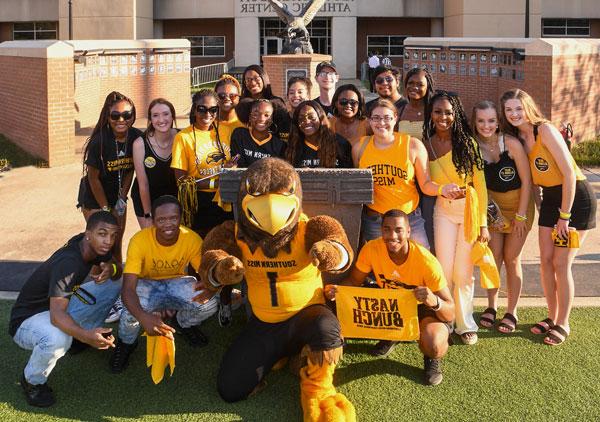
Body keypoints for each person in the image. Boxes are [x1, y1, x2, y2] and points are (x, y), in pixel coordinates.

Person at [501, 89, 596, 346]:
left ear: (528, 107)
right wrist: (542, 204)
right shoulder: (517, 138)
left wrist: (564, 216)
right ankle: (551, 317)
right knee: (545, 261)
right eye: (509, 110)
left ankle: (563, 323)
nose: (514, 114)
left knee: (561, 263)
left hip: (575, 199)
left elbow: (567, 173)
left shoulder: (545, 130)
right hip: (551, 200)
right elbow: (531, 179)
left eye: (518, 108)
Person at [324, 209, 455, 386]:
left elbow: (451, 312)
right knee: (334, 305)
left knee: (433, 343)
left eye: (399, 230)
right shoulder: (372, 248)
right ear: (381, 230)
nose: (392, 235)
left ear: (408, 231)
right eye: (387, 229)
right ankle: (393, 334)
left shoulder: (426, 261)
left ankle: (431, 359)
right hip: (392, 305)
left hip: (421, 306)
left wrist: (434, 301)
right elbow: (354, 281)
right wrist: (336, 291)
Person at [9, 211, 122, 407]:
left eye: (113, 235)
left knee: (116, 281)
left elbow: (117, 267)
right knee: (58, 338)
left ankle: (78, 337)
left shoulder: (90, 245)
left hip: (57, 306)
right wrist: (86, 335)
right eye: (102, 234)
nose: (108, 241)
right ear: (88, 233)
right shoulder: (69, 262)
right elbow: (57, 315)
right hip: (27, 321)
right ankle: (32, 381)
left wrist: (110, 269)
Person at [109, 195, 220, 373]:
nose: (168, 224)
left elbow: (207, 274)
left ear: (180, 218)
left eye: (173, 218)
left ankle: (182, 323)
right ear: (153, 220)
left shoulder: (191, 238)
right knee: (131, 310)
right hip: (147, 284)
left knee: (210, 303)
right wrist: (143, 317)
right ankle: (126, 344)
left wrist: (211, 287)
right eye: (161, 219)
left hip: (177, 282)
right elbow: (128, 288)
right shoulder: (139, 240)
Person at [423, 90, 489, 345]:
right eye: (438, 111)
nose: (443, 117)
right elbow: (426, 182)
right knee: (445, 268)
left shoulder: (468, 144)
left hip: (469, 213)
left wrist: (483, 222)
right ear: (431, 113)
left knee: (463, 272)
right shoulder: (426, 144)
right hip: (443, 212)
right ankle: (446, 319)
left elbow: (481, 186)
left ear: (456, 114)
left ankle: (465, 323)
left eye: (449, 112)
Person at [354, 98, 457, 247]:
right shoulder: (360, 147)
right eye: (376, 118)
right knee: (380, 266)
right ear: (369, 120)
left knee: (422, 262)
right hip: (376, 221)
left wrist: (443, 189)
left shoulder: (412, 145)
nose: (381, 123)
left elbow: (425, 184)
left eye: (387, 118)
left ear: (395, 118)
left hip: (409, 219)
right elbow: (356, 187)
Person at [472, 100, 534, 333]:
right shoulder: (473, 146)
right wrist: (489, 214)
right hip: (494, 208)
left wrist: (520, 216)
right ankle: (491, 306)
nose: (486, 126)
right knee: (493, 257)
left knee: (512, 258)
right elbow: (478, 186)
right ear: (474, 122)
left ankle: (512, 311)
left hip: (520, 206)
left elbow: (527, 181)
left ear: (498, 121)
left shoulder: (511, 143)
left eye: (491, 120)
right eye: (481, 121)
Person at [77, 91, 142, 264]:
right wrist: (106, 209)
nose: (121, 120)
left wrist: (122, 199)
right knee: (99, 249)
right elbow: (93, 178)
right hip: (95, 200)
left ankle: (116, 282)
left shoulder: (136, 137)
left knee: (115, 244)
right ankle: (96, 284)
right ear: (108, 117)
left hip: (118, 198)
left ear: (133, 115)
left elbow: (130, 170)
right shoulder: (99, 141)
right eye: (115, 115)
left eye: (126, 115)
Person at [171, 89, 235, 237]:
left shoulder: (226, 131)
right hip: (199, 201)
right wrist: (216, 183)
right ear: (194, 110)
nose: (207, 114)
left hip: (224, 199)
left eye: (213, 109)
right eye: (202, 109)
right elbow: (181, 181)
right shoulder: (183, 137)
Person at [398, 67, 437, 252]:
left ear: (428, 86)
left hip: (430, 175)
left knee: (428, 222)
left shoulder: (434, 111)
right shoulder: (399, 110)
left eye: (419, 84)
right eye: (410, 83)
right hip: (405, 177)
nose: (414, 87)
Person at [131, 98, 179, 229]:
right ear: (151, 119)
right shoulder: (140, 144)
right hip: (147, 198)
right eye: (155, 115)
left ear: (172, 116)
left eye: (165, 114)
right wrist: (148, 215)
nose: (161, 120)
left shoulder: (182, 138)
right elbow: (143, 184)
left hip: (173, 197)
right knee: (152, 237)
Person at [285, 100, 353, 168]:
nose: (306, 121)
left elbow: (349, 175)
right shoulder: (293, 147)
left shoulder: (340, 144)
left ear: (321, 118)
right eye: (301, 119)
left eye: (312, 117)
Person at [237, 64, 288, 141]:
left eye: (256, 78)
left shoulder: (277, 104)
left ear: (264, 78)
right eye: (248, 80)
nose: (253, 83)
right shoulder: (241, 104)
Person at [230, 99, 286, 167]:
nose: (261, 119)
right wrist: (231, 165)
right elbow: (236, 160)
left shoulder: (279, 145)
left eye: (266, 115)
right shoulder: (240, 135)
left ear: (272, 119)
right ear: (249, 117)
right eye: (256, 114)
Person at [280, 76, 312, 143]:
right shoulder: (281, 120)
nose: (295, 95)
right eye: (291, 93)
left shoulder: (313, 121)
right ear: (287, 96)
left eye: (300, 92)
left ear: (308, 96)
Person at [215, 74, 245, 142]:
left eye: (232, 96)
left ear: (239, 98)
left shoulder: (245, 124)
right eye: (221, 95)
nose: (227, 99)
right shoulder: (208, 123)